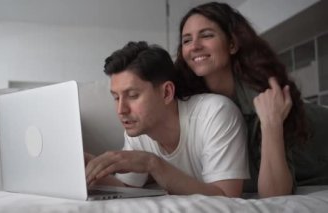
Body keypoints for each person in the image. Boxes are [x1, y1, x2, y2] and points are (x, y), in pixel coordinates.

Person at [174, 2, 328, 198]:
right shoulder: (192, 102)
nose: (194, 46)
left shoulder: (263, 95)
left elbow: (274, 195)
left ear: (232, 44)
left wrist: (271, 123)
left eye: (206, 35)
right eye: (186, 40)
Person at [85, 41, 249, 197]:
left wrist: (152, 164)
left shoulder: (215, 114)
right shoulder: (137, 130)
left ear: (166, 93)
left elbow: (227, 198)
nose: (121, 110)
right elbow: (129, 190)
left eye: (133, 95)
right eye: (116, 98)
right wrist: (91, 168)